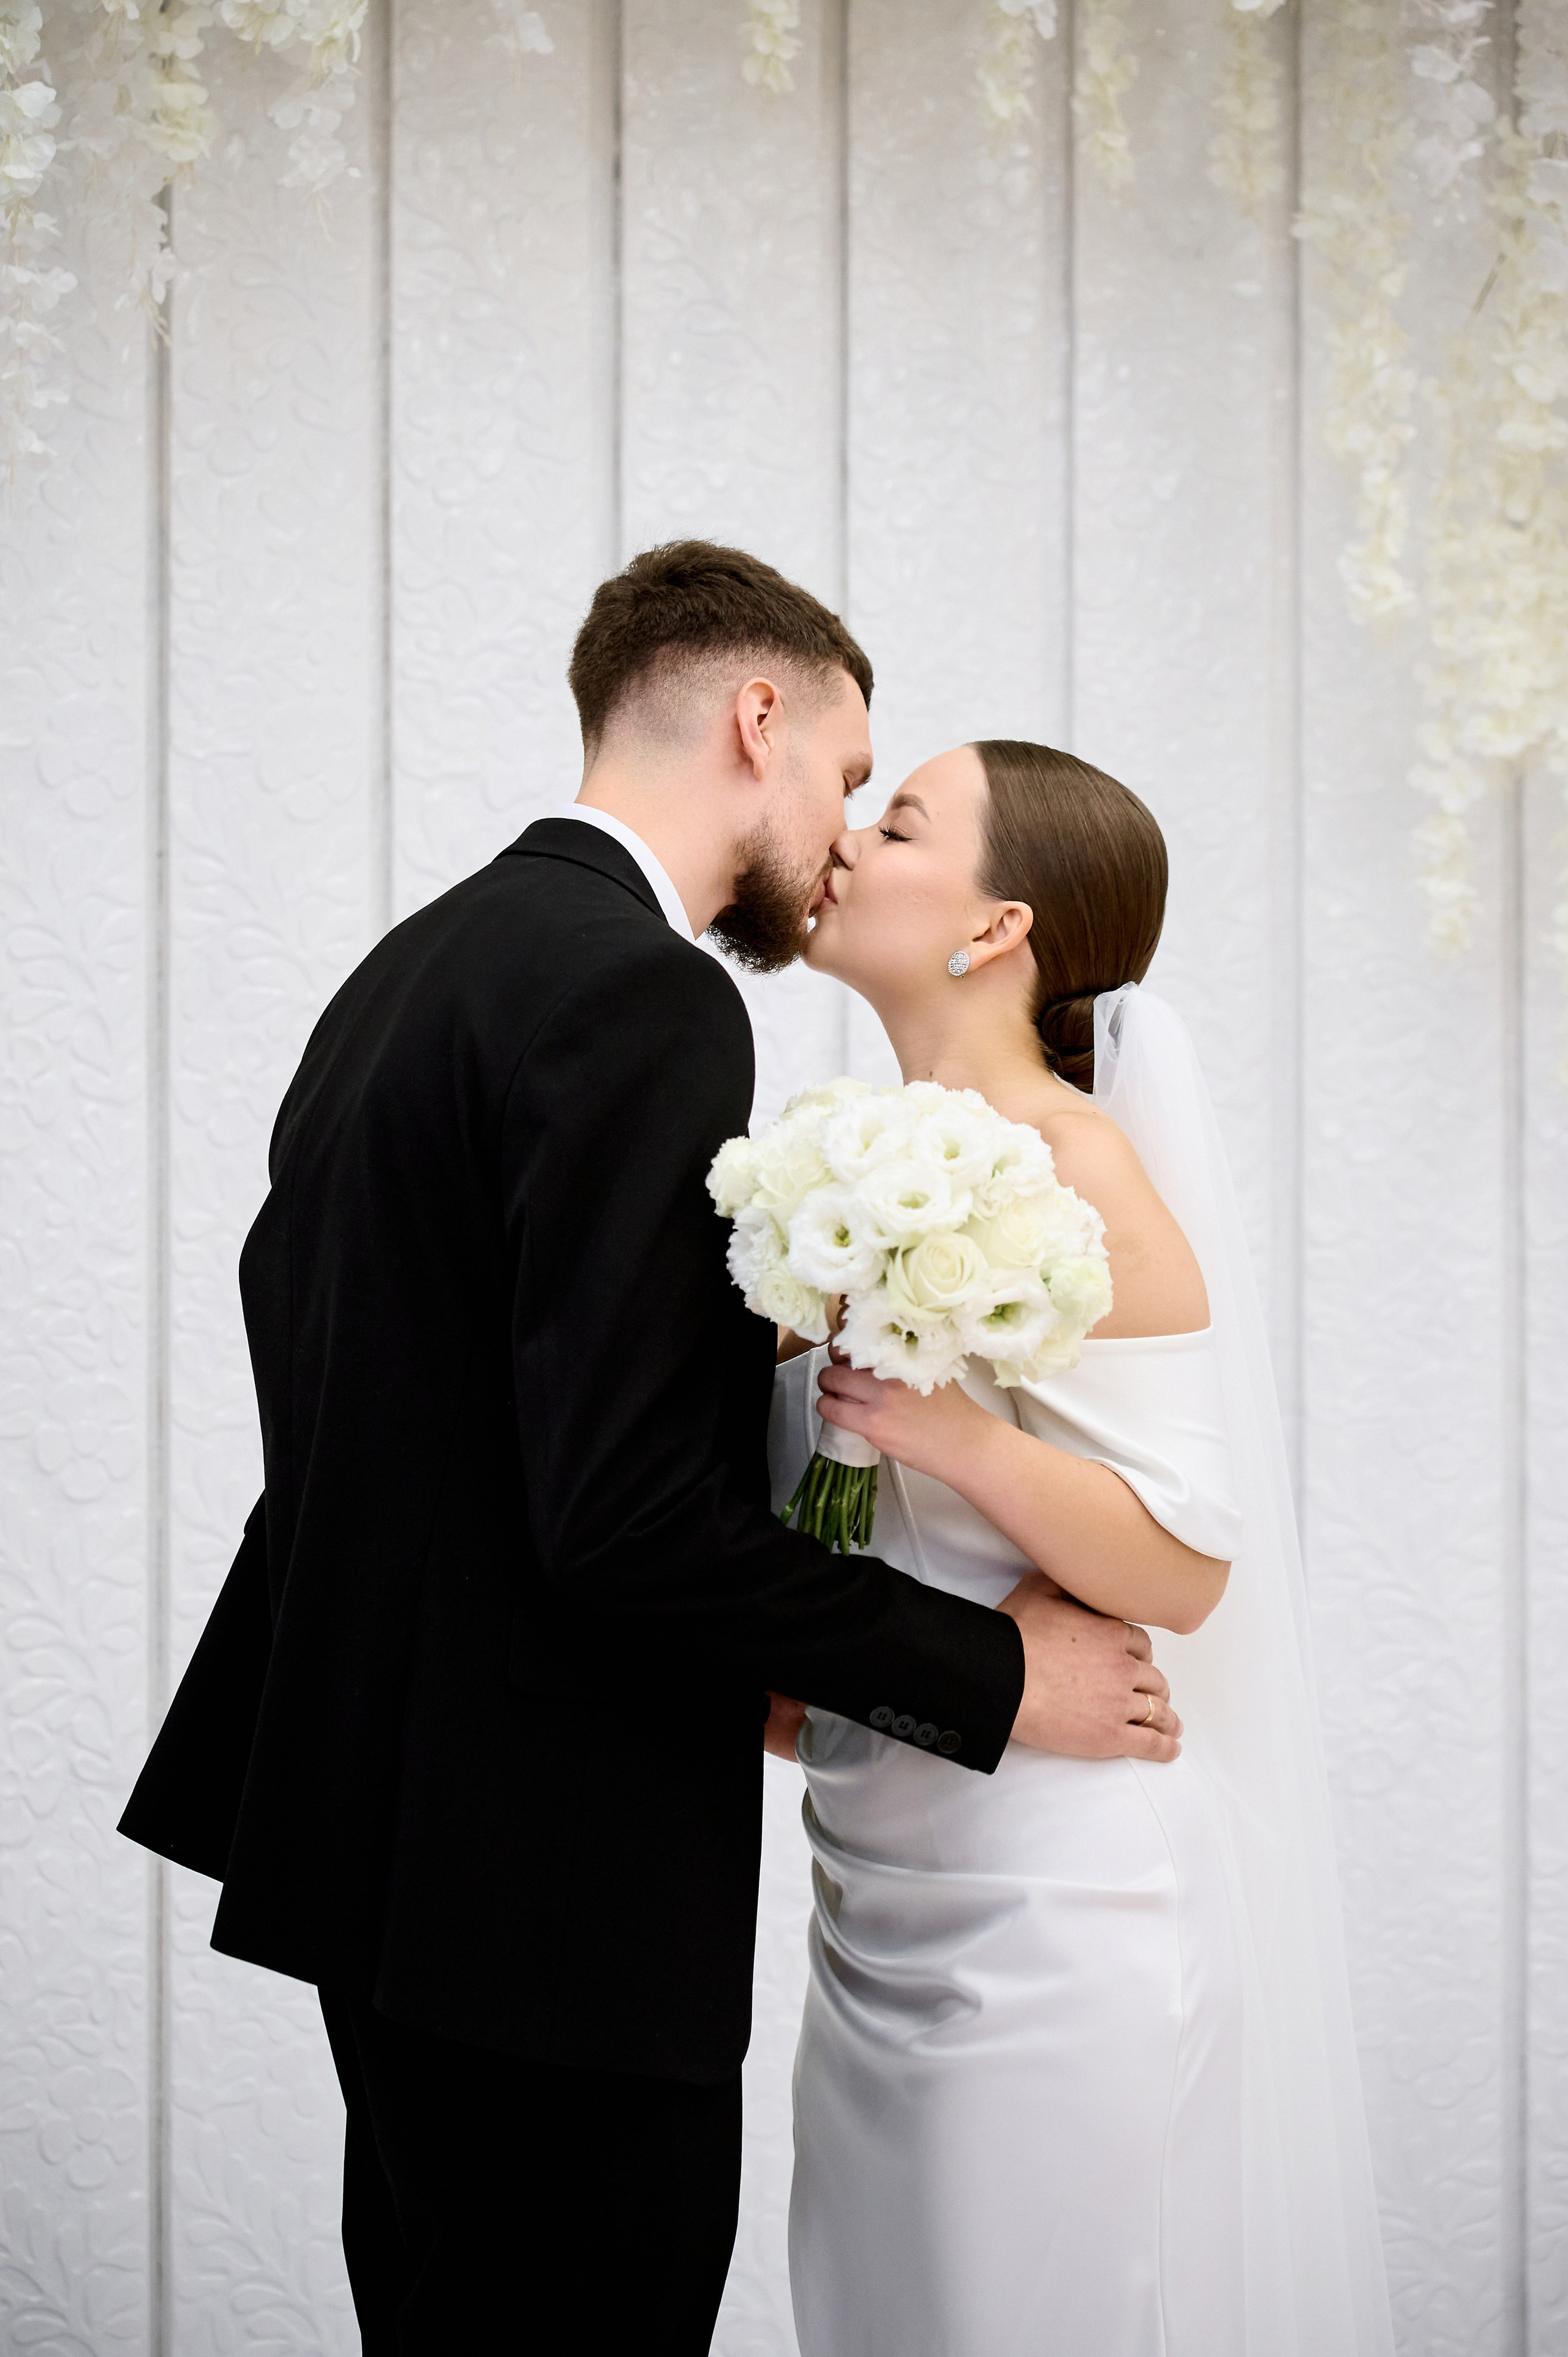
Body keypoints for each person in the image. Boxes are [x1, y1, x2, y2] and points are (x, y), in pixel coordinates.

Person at [118, 546, 1182, 2356]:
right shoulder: (642, 993)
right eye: (849, 779)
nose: (840, 835)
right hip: (546, 1894)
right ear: (757, 719)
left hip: (390, 1860)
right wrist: (994, 1676)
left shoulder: (412, 969)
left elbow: (415, 1400)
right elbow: (621, 1517)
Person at [772, 739, 1395, 2356]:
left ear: (997, 930)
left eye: (896, 819)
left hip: (1056, 1900)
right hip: (872, 1903)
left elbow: (1186, 1568)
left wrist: (943, 1429)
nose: (842, 836)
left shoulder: (1080, 1167)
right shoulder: (816, 1182)